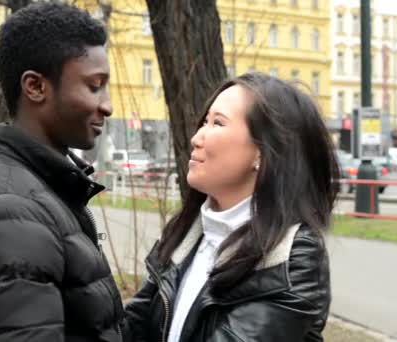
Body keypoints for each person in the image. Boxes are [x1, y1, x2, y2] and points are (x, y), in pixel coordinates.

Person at [0, 3, 124, 341]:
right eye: (94, 86)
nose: (107, 105)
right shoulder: (7, 211)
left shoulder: (42, 189)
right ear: (36, 87)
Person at [122, 73, 339, 342]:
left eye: (218, 123)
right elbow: (131, 327)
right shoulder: (188, 234)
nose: (197, 138)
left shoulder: (291, 256)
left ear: (262, 151)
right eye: (204, 122)